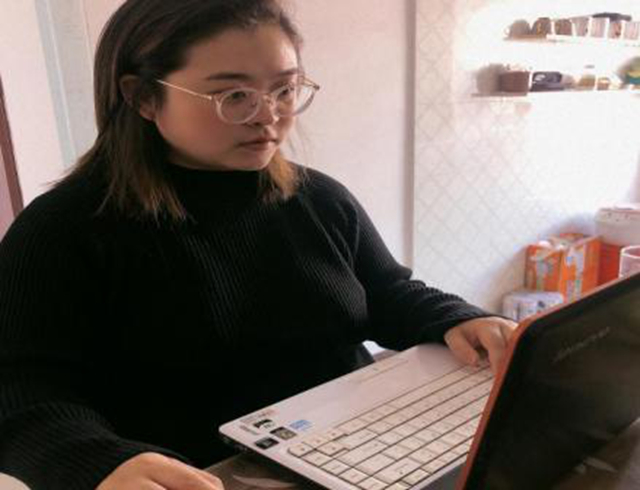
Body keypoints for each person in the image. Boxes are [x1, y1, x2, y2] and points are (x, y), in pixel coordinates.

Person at [0, 1, 517, 489]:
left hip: (359, 456)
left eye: (285, 90)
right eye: (234, 96)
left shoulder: (320, 198)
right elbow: (21, 392)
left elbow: (385, 295)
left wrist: (455, 319)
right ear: (142, 97)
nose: (268, 116)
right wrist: (96, 462)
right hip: (200, 476)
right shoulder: (61, 231)